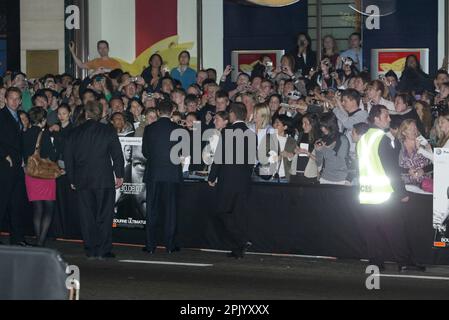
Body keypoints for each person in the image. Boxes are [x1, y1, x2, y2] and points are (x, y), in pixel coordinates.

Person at [357, 104, 425, 272]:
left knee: (372, 230)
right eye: (386, 115)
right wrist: (401, 191)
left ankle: (375, 261)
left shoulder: (363, 139)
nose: (389, 118)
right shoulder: (383, 138)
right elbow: (391, 168)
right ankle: (404, 262)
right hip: (384, 193)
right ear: (376, 118)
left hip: (366, 193)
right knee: (396, 229)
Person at [64, 101, 124, 259]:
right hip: (103, 179)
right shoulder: (107, 130)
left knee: (86, 216)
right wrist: (119, 174)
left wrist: (71, 178)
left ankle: (90, 249)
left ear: (86, 113)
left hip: (82, 180)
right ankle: (104, 249)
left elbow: (68, 158)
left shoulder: (74, 132)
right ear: (99, 114)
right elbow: (117, 154)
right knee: (105, 216)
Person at [208, 103, 256, 259]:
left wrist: (212, 176)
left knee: (222, 212)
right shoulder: (250, 133)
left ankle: (241, 241)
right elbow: (251, 161)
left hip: (228, 180)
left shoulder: (228, 132)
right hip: (243, 180)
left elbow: (220, 156)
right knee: (237, 215)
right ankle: (238, 248)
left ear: (233, 115)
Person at [142, 100, 184, 254]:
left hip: (153, 174)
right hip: (172, 174)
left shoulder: (149, 129)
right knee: (170, 211)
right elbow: (183, 152)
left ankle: (150, 245)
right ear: (172, 112)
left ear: (158, 112)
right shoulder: (178, 129)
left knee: (151, 210)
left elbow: (145, 152)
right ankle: (170, 246)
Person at [22, 107, 58, 247]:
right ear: (43, 120)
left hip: (30, 174)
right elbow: (52, 156)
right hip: (45, 174)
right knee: (48, 209)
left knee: (37, 209)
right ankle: (41, 241)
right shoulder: (45, 135)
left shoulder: (24, 134)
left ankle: (38, 239)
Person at [0, 87, 29, 246]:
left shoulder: (18, 116)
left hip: (18, 166)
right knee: (2, 202)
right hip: (4, 166)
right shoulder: (1, 115)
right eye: (12, 98)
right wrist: (4, 155)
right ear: (5, 99)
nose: (15, 101)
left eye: (18, 98)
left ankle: (18, 239)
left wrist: (23, 161)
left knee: (16, 204)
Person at [315, 113, 350, 185]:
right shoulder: (322, 139)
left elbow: (340, 160)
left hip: (340, 179)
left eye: (325, 126)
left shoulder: (342, 139)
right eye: (321, 126)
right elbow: (318, 162)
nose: (322, 129)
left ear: (332, 125)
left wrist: (324, 149)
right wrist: (318, 150)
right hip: (325, 177)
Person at [397, 119, 433, 186]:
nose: (414, 131)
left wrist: (423, 170)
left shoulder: (424, 144)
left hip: (425, 185)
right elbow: (394, 167)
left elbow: (434, 164)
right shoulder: (398, 146)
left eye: (415, 128)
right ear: (404, 132)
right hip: (406, 186)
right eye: (410, 129)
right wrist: (408, 171)